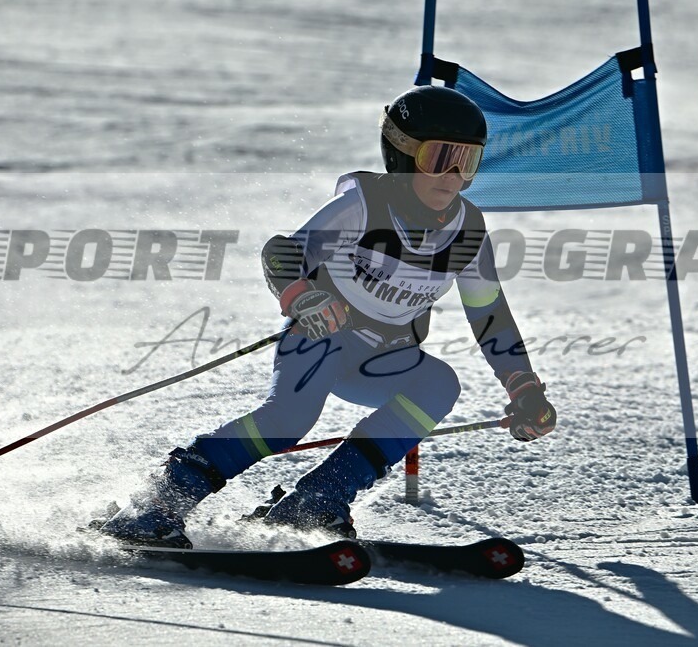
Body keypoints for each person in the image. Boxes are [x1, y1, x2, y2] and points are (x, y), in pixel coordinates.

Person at [96, 85, 556, 547]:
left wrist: (523, 385)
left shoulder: (467, 231)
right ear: (402, 153)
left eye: (468, 162)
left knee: (439, 384)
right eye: (440, 158)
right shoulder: (364, 206)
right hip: (321, 337)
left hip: (383, 358)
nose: (453, 176)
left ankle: (316, 501)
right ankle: (160, 502)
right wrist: (303, 297)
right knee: (290, 419)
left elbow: (489, 314)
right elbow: (282, 252)